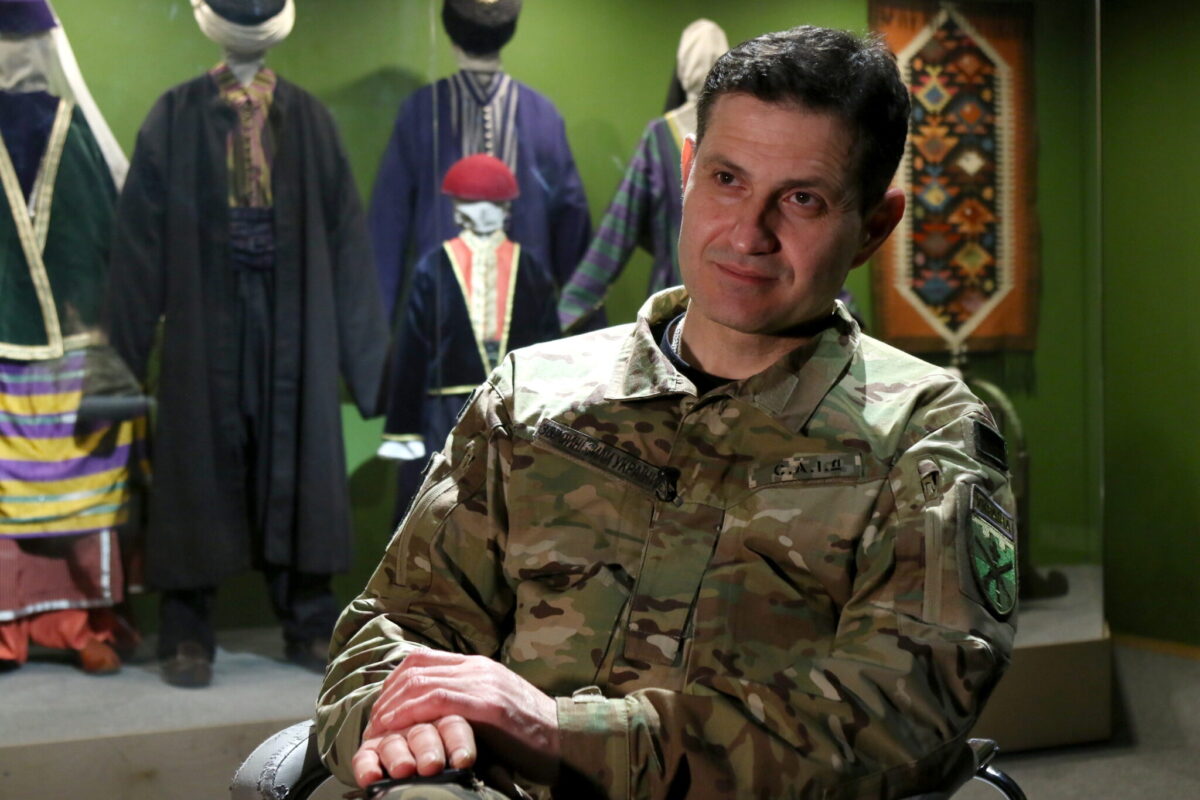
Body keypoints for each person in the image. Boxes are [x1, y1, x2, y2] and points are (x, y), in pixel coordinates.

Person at [316, 24, 1017, 799]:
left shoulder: (925, 433)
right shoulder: (533, 395)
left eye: (802, 199)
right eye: (727, 179)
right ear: (686, 173)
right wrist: (405, 729)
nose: (747, 234)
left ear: (874, 226)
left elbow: (898, 713)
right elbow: (391, 630)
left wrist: (557, 729)